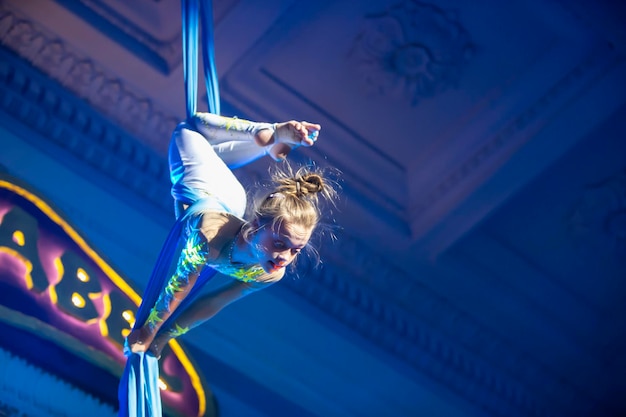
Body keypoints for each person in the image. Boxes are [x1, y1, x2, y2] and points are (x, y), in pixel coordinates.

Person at [118, 112, 337, 416]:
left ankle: (268, 141)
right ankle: (268, 132)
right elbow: (180, 285)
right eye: (279, 244)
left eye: (295, 250)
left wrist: (166, 336)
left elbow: (215, 301)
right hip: (207, 192)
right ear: (258, 225)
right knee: (189, 128)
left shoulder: (268, 273)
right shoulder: (209, 238)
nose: (284, 257)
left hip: (228, 197)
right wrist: (149, 330)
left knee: (208, 148)